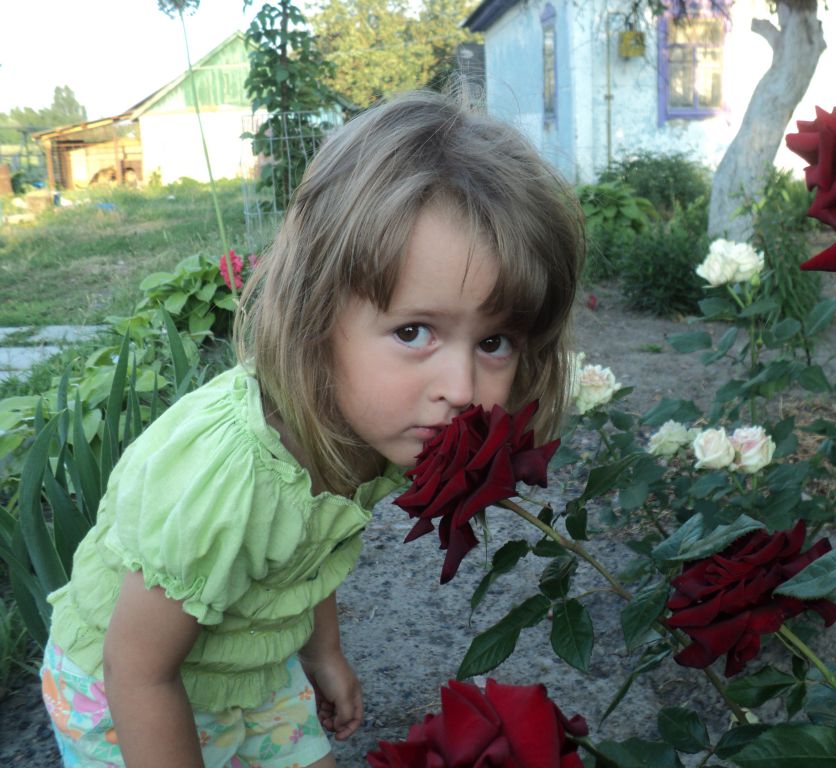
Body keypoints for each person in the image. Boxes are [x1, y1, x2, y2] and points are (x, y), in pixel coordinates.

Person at [40, 90, 584, 767]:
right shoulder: (229, 479)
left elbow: (306, 546)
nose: (463, 389)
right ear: (315, 314)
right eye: (414, 331)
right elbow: (139, 669)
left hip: (246, 667)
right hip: (124, 691)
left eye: (494, 342)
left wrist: (322, 651)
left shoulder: (372, 426)